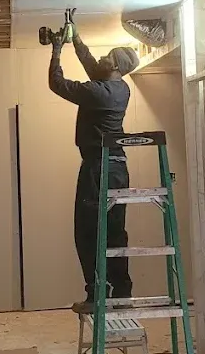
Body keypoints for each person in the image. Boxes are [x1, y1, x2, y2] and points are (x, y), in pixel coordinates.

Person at [47, 21, 140, 313]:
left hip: (100, 168)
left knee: (89, 230)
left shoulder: (101, 93)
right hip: (113, 166)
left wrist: (57, 50)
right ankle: (119, 292)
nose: (101, 58)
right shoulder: (117, 87)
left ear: (114, 65)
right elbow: (91, 64)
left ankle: (98, 294)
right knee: (113, 231)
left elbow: (58, 84)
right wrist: (75, 39)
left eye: (107, 56)